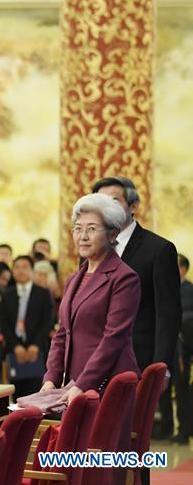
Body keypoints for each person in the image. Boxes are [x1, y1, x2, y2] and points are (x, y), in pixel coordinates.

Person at [42, 193, 140, 483]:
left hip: (107, 384)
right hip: (73, 386)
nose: (82, 236)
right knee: (75, 465)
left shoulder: (125, 278)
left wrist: (81, 384)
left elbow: (113, 338)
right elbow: (62, 333)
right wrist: (51, 378)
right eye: (77, 228)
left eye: (91, 228)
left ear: (113, 234)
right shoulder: (75, 277)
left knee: (100, 466)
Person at [93, 176, 181, 441]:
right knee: (98, 444)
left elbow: (168, 314)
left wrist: (161, 367)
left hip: (138, 362)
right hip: (95, 364)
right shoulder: (93, 249)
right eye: (100, 202)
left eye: (114, 201)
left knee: (131, 444)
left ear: (133, 206)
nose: (106, 208)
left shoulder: (159, 249)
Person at [0, 255, 53, 397]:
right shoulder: (6, 294)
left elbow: (47, 321)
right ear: (12, 271)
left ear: (31, 271)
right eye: (17, 267)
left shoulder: (43, 293)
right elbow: (3, 324)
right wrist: (16, 346)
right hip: (13, 350)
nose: (20, 271)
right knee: (17, 395)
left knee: (35, 393)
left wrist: (35, 345)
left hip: (38, 350)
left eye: (25, 267)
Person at [174, 254, 193, 444]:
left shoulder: (189, 290)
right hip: (168, 347)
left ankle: (184, 429)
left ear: (183, 269)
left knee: (182, 389)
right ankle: (165, 428)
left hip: (183, 348)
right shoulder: (167, 287)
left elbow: (185, 315)